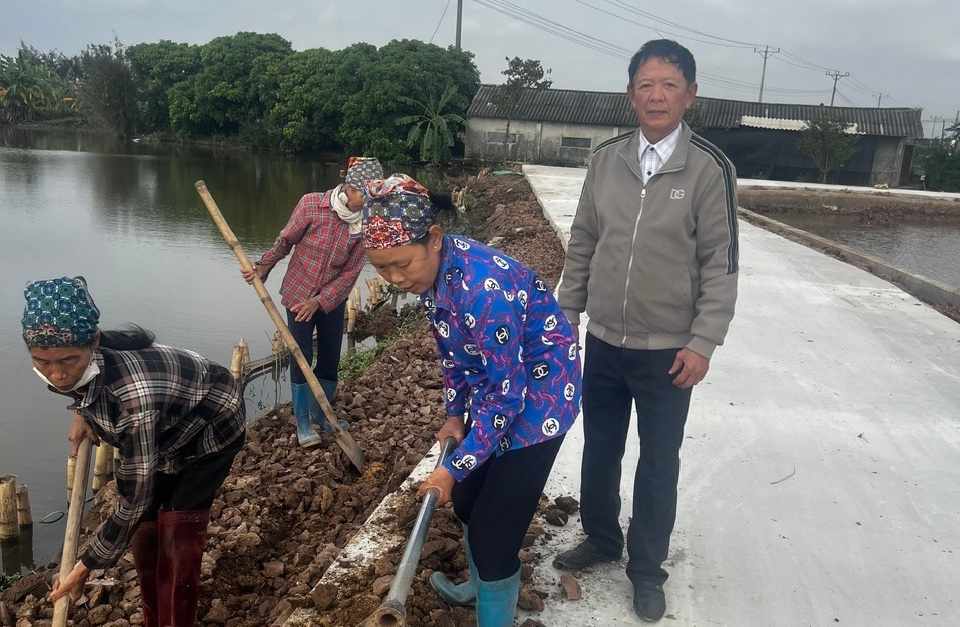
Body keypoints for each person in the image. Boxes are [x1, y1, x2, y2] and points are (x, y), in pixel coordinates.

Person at [553, 39, 740, 622]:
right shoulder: (606, 160)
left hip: (669, 352)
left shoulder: (709, 168)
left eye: (669, 85)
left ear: (691, 94)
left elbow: (720, 262)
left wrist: (703, 341)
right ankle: (602, 537)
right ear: (630, 94)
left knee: (659, 460)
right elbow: (584, 241)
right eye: (646, 85)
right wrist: (567, 312)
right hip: (605, 340)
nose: (657, 96)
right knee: (600, 448)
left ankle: (647, 569)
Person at [360, 174, 581, 626]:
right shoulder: (434, 274)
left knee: (494, 538)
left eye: (402, 265)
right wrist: (454, 415)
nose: (395, 278)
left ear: (434, 238)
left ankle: (493, 600)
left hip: (539, 402)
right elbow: (453, 353)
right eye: (382, 269)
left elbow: (508, 400)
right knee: (465, 503)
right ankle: (478, 589)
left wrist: (450, 468)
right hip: (498, 390)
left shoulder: (483, 291)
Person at [24, 276, 245, 627]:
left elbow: (134, 497)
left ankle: (176, 620)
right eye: (42, 362)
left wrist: (85, 566)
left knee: (179, 528)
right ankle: (153, 617)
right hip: (163, 424)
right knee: (145, 529)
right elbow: (86, 386)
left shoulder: (132, 399)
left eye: (68, 361)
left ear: (94, 344)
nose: (57, 374)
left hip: (211, 424)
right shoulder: (83, 363)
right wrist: (83, 413)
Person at [243, 157, 382, 447]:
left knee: (330, 357)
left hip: (332, 300)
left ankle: (322, 415)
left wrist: (320, 301)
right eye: (363, 195)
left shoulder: (365, 222)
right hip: (298, 294)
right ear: (349, 188)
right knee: (301, 356)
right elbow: (285, 241)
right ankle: (303, 422)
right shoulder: (312, 205)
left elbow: (351, 272)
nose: (367, 202)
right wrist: (264, 266)